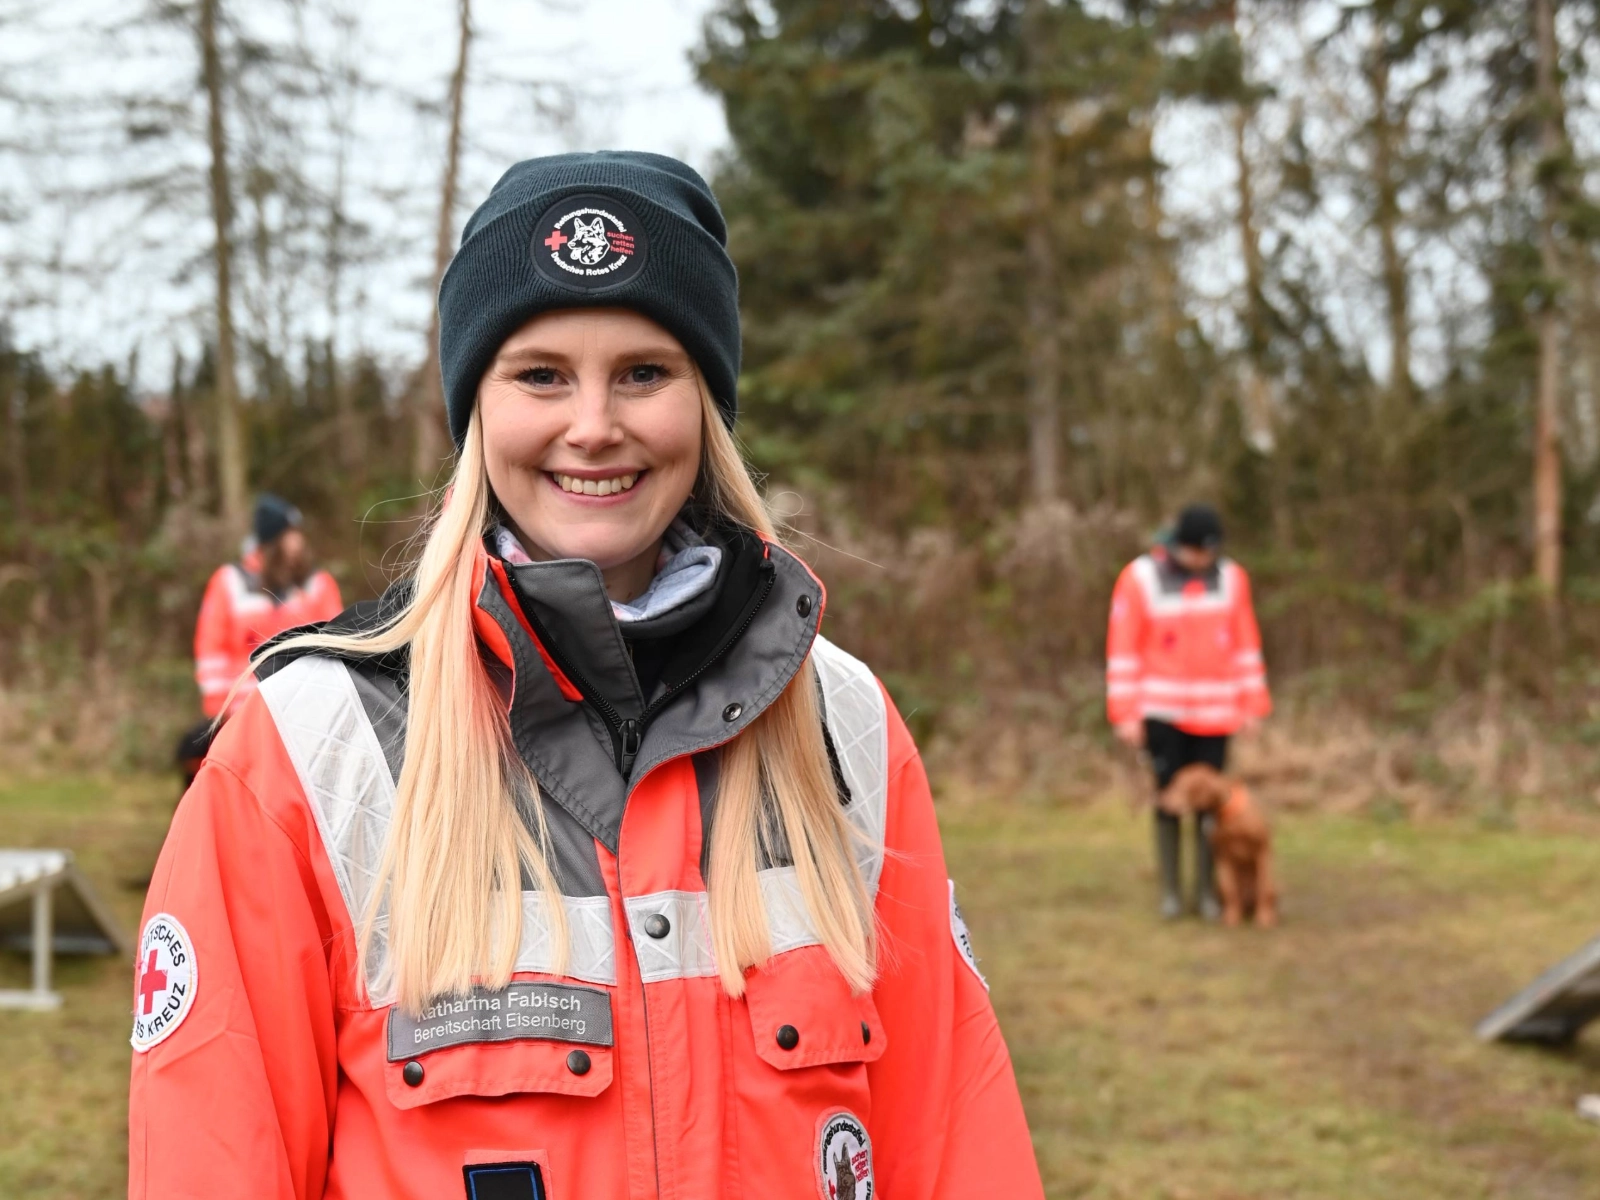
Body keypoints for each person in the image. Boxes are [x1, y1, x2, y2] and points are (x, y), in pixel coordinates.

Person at [129, 152, 1044, 1200]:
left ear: (707, 404)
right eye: (541, 373)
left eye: (645, 372)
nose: (594, 424)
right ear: (477, 406)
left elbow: (956, 1144)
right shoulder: (306, 746)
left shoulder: (846, 725)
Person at [1105, 503, 1271, 920]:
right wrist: (1125, 712)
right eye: (1197, 552)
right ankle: (1171, 894)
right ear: (1178, 545)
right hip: (1161, 712)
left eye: (1209, 553)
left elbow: (1245, 645)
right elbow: (1122, 647)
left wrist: (1252, 704)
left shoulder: (1233, 580)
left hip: (1217, 714)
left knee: (1210, 806)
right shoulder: (1139, 578)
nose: (1203, 560)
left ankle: (1211, 894)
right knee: (1169, 799)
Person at [175, 493, 342, 787]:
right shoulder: (229, 582)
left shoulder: (318, 585)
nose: (299, 543)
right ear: (273, 541)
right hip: (243, 718)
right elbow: (211, 653)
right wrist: (220, 713)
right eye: (291, 535)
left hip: (303, 720)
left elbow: (337, 649)